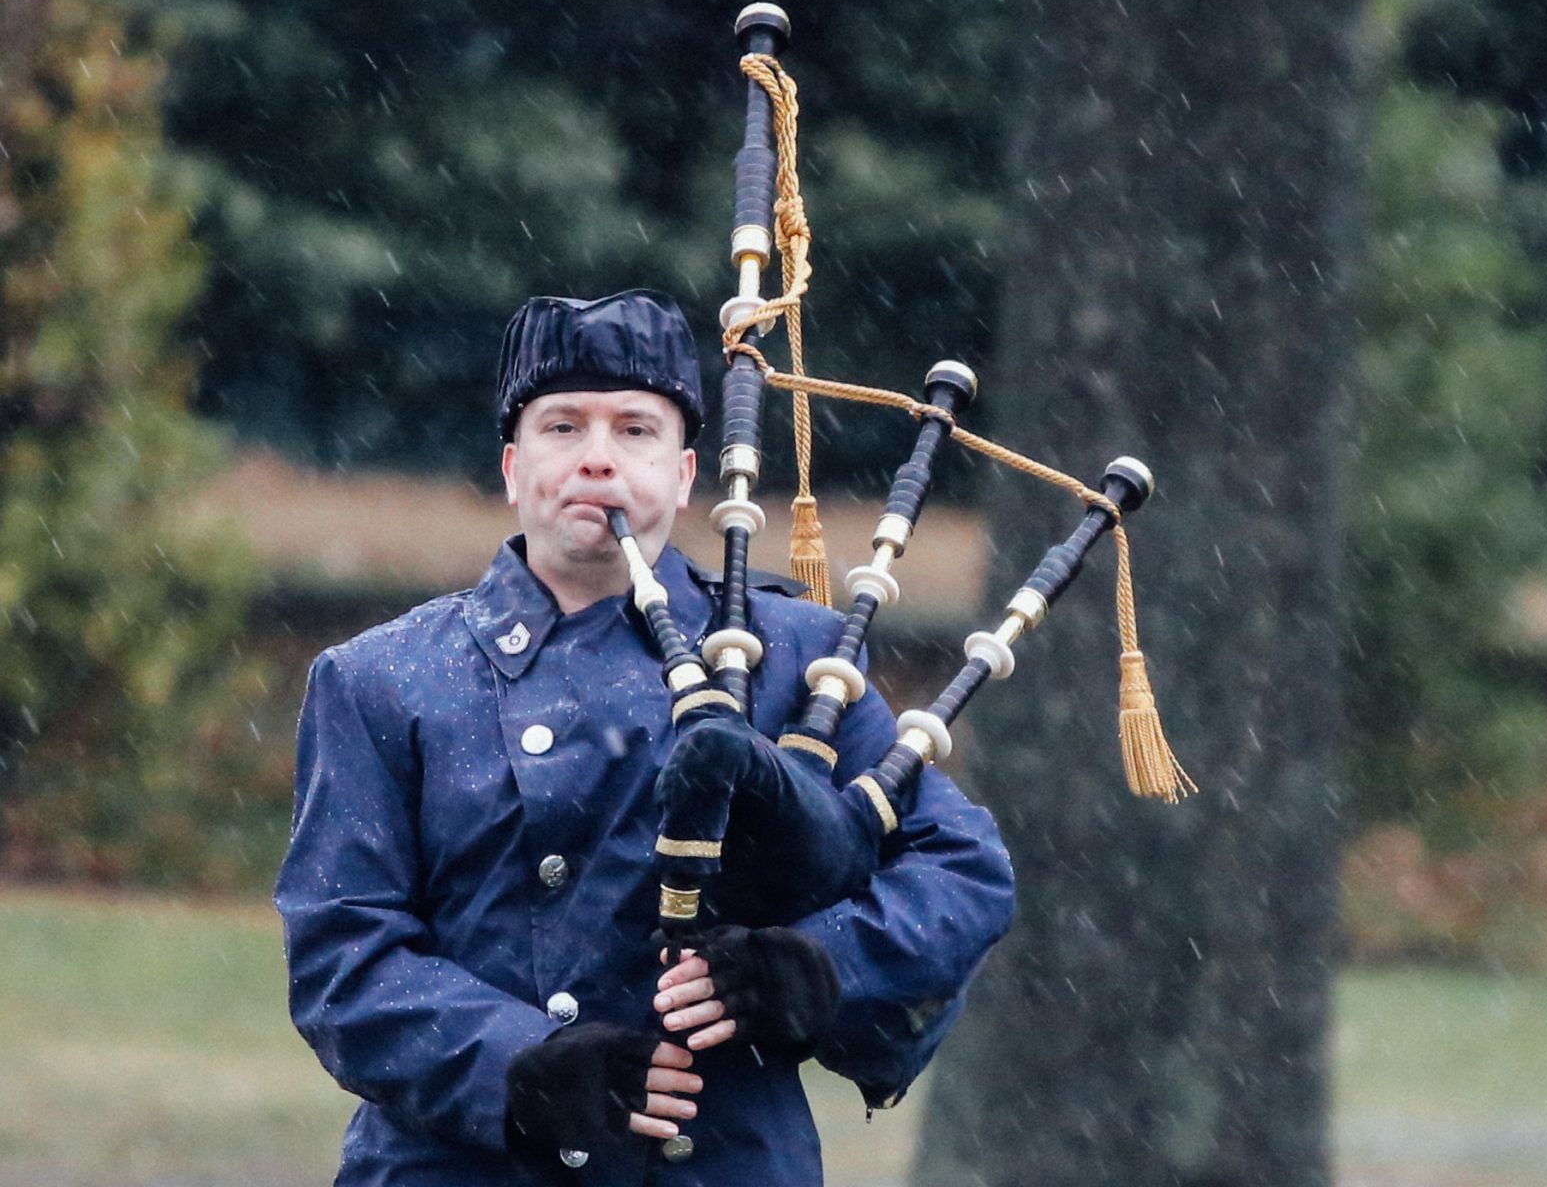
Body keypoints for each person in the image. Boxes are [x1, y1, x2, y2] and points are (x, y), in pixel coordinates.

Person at [274, 289, 1015, 1186]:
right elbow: (342, 958)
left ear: (685, 474)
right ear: (512, 469)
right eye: (561, 428)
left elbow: (962, 875)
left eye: (635, 430)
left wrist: (816, 966)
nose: (598, 459)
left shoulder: (802, 659)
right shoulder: (379, 679)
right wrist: (519, 1065)